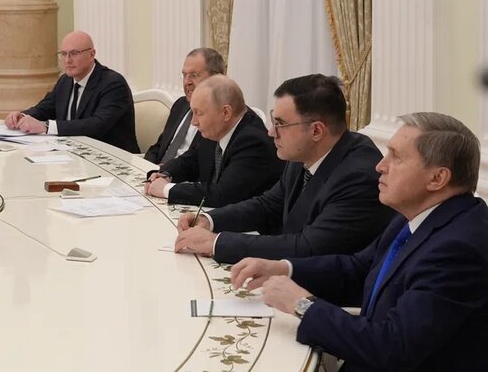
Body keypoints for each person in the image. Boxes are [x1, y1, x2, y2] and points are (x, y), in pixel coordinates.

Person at [231, 113, 488, 372]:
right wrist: (284, 268)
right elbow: (357, 268)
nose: (380, 166)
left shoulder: (458, 249)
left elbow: (392, 348)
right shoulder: (415, 216)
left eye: (396, 157)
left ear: (436, 179)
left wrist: (302, 305)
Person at [174, 74, 394, 262]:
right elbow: (268, 205)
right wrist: (210, 220)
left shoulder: (357, 175)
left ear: (317, 131)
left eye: (280, 124)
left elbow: (308, 247)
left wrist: (217, 243)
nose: (271, 132)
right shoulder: (303, 154)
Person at [143, 75, 281, 206]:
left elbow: (222, 194)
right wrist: (166, 174)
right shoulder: (217, 128)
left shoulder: (253, 141)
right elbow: (191, 159)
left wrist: (167, 189)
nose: (193, 122)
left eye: (199, 113)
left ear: (225, 112)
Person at [4, 30, 138, 153]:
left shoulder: (113, 83)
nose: (67, 60)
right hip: (71, 155)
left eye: (74, 53)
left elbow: (97, 125)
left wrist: (46, 126)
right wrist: (21, 116)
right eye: (63, 54)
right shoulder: (65, 81)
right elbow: (44, 109)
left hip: (111, 159)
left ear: (92, 54)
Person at [143, 47, 225, 163]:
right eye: (184, 75)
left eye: (194, 75)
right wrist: (146, 170)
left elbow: (199, 162)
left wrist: (165, 173)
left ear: (216, 77)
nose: (187, 82)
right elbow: (159, 147)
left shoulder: (219, 115)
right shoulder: (180, 105)